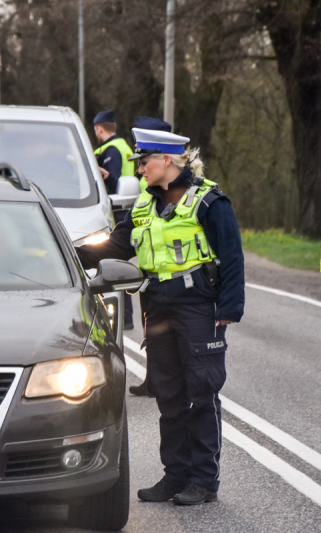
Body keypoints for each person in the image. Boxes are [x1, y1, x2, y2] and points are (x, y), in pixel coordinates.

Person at [76, 126, 245, 506]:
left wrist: (230, 308)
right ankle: (176, 475)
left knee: (201, 393)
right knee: (168, 395)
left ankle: (204, 479)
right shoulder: (143, 204)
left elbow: (232, 255)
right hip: (159, 308)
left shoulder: (208, 201)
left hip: (199, 308)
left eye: (144, 162)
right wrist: (68, 253)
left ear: (166, 160)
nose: (139, 170)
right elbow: (116, 244)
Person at [127, 116, 174, 397]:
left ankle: (161, 378)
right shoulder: (147, 190)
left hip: (181, 283)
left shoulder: (186, 190)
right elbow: (130, 233)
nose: (139, 169)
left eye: (144, 160)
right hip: (153, 277)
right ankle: (154, 378)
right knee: (152, 328)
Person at [93, 110, 134, 195]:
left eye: (95, 130)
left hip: (114, 202)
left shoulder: (112, 150)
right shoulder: (123, 146)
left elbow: (112, 183)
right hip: (126, 198)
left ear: (100, 129)